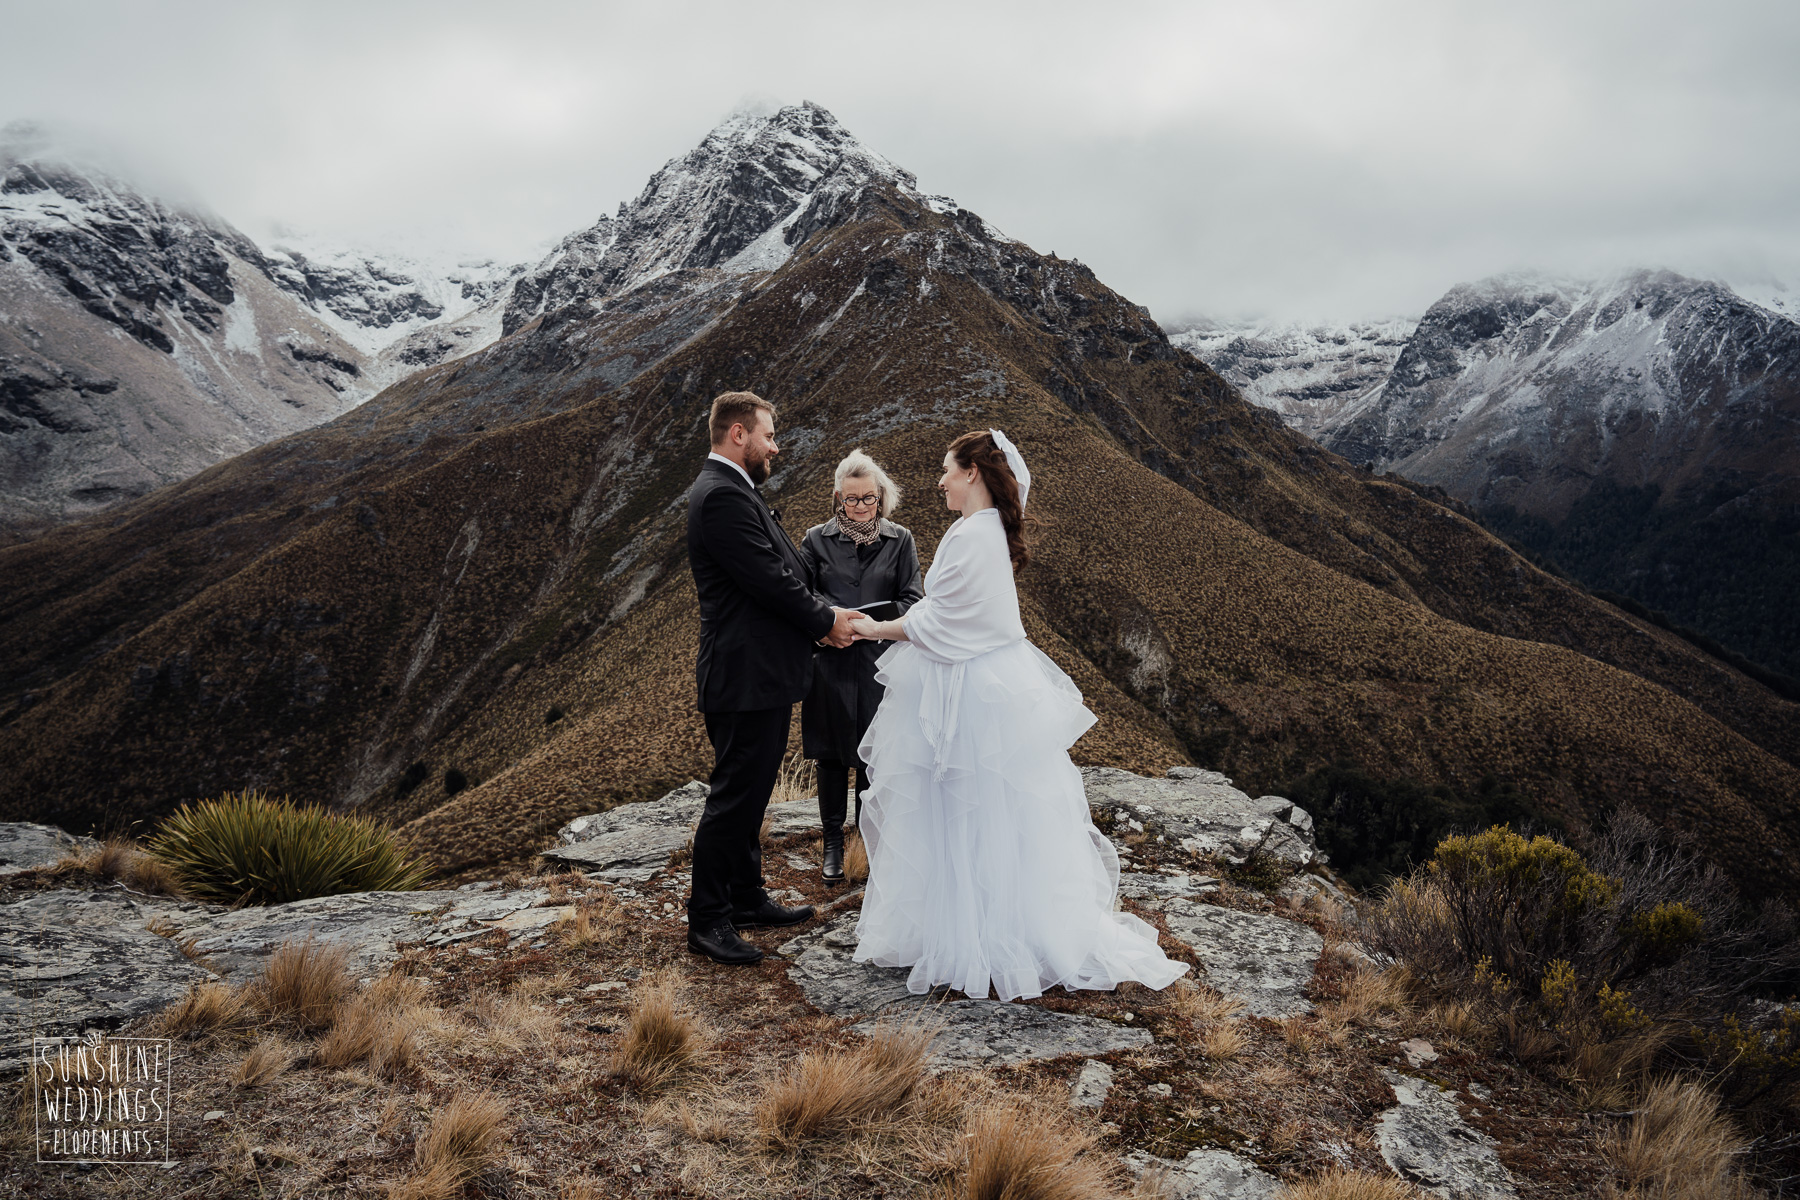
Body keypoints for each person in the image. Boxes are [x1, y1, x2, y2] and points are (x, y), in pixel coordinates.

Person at [846, 430, 1190, 1001]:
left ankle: (978, 937)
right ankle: (975, 926)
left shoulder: (974, 535)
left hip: (975, 686)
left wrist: (873, 628)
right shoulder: (985, 529)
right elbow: (949, 609)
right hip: (987, 678)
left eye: (948, 470)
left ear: (973, 474)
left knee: (970, 808)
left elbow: (943, 623)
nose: (939, 481)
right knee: (988, 807)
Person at [685, 391, 863, 966]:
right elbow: (769, 582)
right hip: (743, 676)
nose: (775, 446)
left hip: (757, 673)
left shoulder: (736, 491)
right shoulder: (721, 498)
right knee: (735, 796)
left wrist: (825, 612)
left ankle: (745, 897)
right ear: (738, 434)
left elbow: (787, 570)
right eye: (768, 435)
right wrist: (826, 623)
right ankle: (708, 919)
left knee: (753, 791)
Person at [798, 450, 925, 883]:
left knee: (876, 757)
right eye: (850, 500)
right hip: (829, 664)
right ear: (837, 498)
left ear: (880, 496)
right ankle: (833, 844)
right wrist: (826, 622)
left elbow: (914, 599)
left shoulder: (901, 539)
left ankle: (866, 841)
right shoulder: (814, 539)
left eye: (868, 499)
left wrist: (879, 624)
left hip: (881, 664)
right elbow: (800, 597)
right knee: (831, 757)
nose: (859, 508)